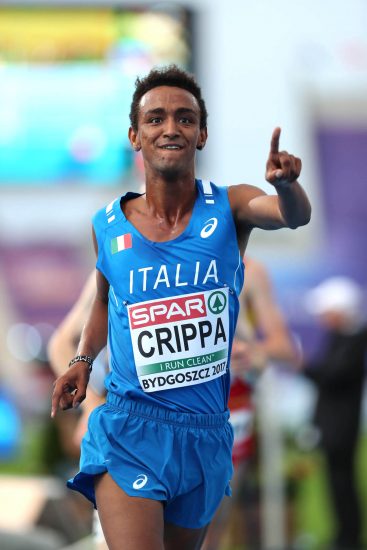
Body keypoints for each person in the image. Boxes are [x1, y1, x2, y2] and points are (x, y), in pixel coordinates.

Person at [51, 64, 311, 550]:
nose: (171, 128)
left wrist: (285, 186)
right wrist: (83, 361)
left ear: (202, 134)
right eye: (156, 119)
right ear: (135, 135)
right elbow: (107, 298)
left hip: (206, 435)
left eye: (185, 118)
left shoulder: (231, 206)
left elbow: (291, 216)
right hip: (130, 428)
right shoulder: (107, 225)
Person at [203, 257, 299, 550]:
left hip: (230, 407)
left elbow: (285, 348)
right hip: (167, 405)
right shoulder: (156, 256)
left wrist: (253, 351)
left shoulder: (249, 270)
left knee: (212, 525)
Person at [303, 277, 367, 550]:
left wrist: (304, 366)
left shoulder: (353, 341)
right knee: (336, 483)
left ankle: (348, 537)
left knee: (342, 483)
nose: (323, 317)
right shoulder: (342, 339)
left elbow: (333, 375)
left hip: (342, 426)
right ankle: (344, 535)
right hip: (334, 425)